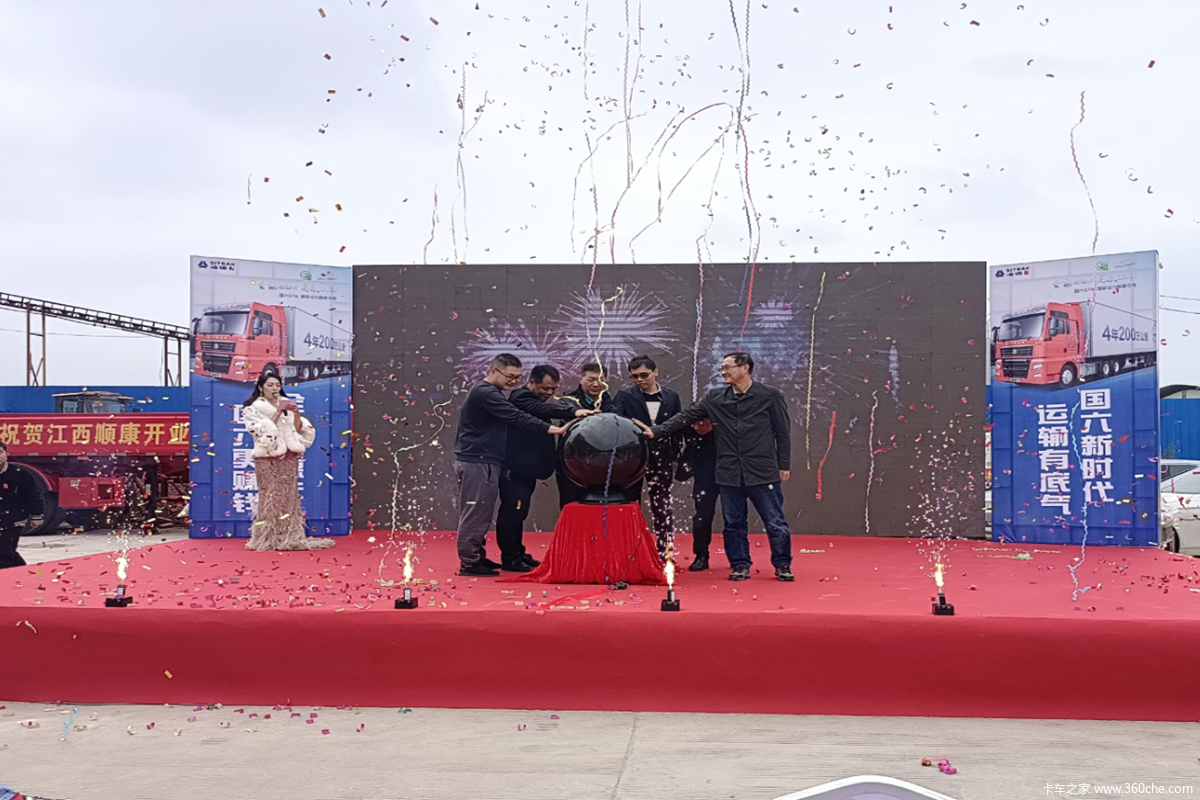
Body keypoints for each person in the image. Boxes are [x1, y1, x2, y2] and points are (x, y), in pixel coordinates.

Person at [635, 352, 795, 582]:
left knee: (775, 521)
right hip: (728, 471)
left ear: (745, 368)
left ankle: (782, 564)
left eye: (728, 367)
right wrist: (656, 431)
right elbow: (686, 416)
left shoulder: (769, 396)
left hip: (762, 469)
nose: (723, 372)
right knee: (733, 523)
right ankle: (740, 564)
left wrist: (783, 464)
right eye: (722, 368)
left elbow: (782, 433)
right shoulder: (716, 398)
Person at [455, 354, 589, 576]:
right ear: (493, 370)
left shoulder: (493, 393)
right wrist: (556, 428)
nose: (513, 381)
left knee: (483, 512)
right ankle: (470, 562)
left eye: (517, 377)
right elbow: (517, 416)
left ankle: (479, 556)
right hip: (477, 460)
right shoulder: (487, 393)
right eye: (509, 376)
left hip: (486, 460)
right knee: (477, 512)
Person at [496, 364, 585, 572]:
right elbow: (544, 409)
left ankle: (518, 553)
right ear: (531, 382)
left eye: (553, 389)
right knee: (513, 513)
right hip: (514, 470)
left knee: (520, 513)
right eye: (545, 388)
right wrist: (574, 411)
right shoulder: (521, 398)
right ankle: (510, 558)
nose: (549, 393)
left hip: (526, 471)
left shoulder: (533, 400)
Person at [241, 372, 336, 551]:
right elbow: (259, 431)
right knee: (270, 494)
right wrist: (277, 413)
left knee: (289, 495)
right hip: (267, 455)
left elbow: (297, 430)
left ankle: (289, 535)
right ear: (261, 387)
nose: (274, 388)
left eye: (277, 385)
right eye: (270, 385)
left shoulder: (285, 403)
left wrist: (296, 414)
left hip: (289, 456)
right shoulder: (252, 408)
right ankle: (267, 536)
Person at [612, 355, 682, 554]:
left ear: (655, 372)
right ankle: (629, 549)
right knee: (629, 504)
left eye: (644, 375)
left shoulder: (671, 396)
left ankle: (665, 550)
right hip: (631, 459)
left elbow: (678, 425)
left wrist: (675, 454)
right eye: (634, 376)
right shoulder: (624, 396)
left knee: (662, 505)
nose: (639, 380)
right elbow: (616, 421)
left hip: (662, 458)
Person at [556, 362, 615, 507]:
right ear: (581, 379)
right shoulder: (568, 402)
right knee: (572, 506)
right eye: (591, 379)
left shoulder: (613, 404)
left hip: (603, 466)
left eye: (601, 380)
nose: (596, 384)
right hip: (573, 466)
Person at [674, 418, 719, 571]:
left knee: (734, 518)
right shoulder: (689, 430)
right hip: (703, 479)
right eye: (694, 423)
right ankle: (701, 555)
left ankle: (739, 559)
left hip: (727, 476)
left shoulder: (723, 427)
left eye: (703, 422)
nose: (698, 426)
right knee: (702, 518)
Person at [0, 441, 44, 569]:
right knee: (8, 551)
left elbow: (33, 495)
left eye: (0, 452)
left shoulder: (19, 473)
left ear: (6, 454)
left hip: (13, 519)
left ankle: (5, 578)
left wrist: (37, 515)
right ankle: (23, 571)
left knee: (4, 553)